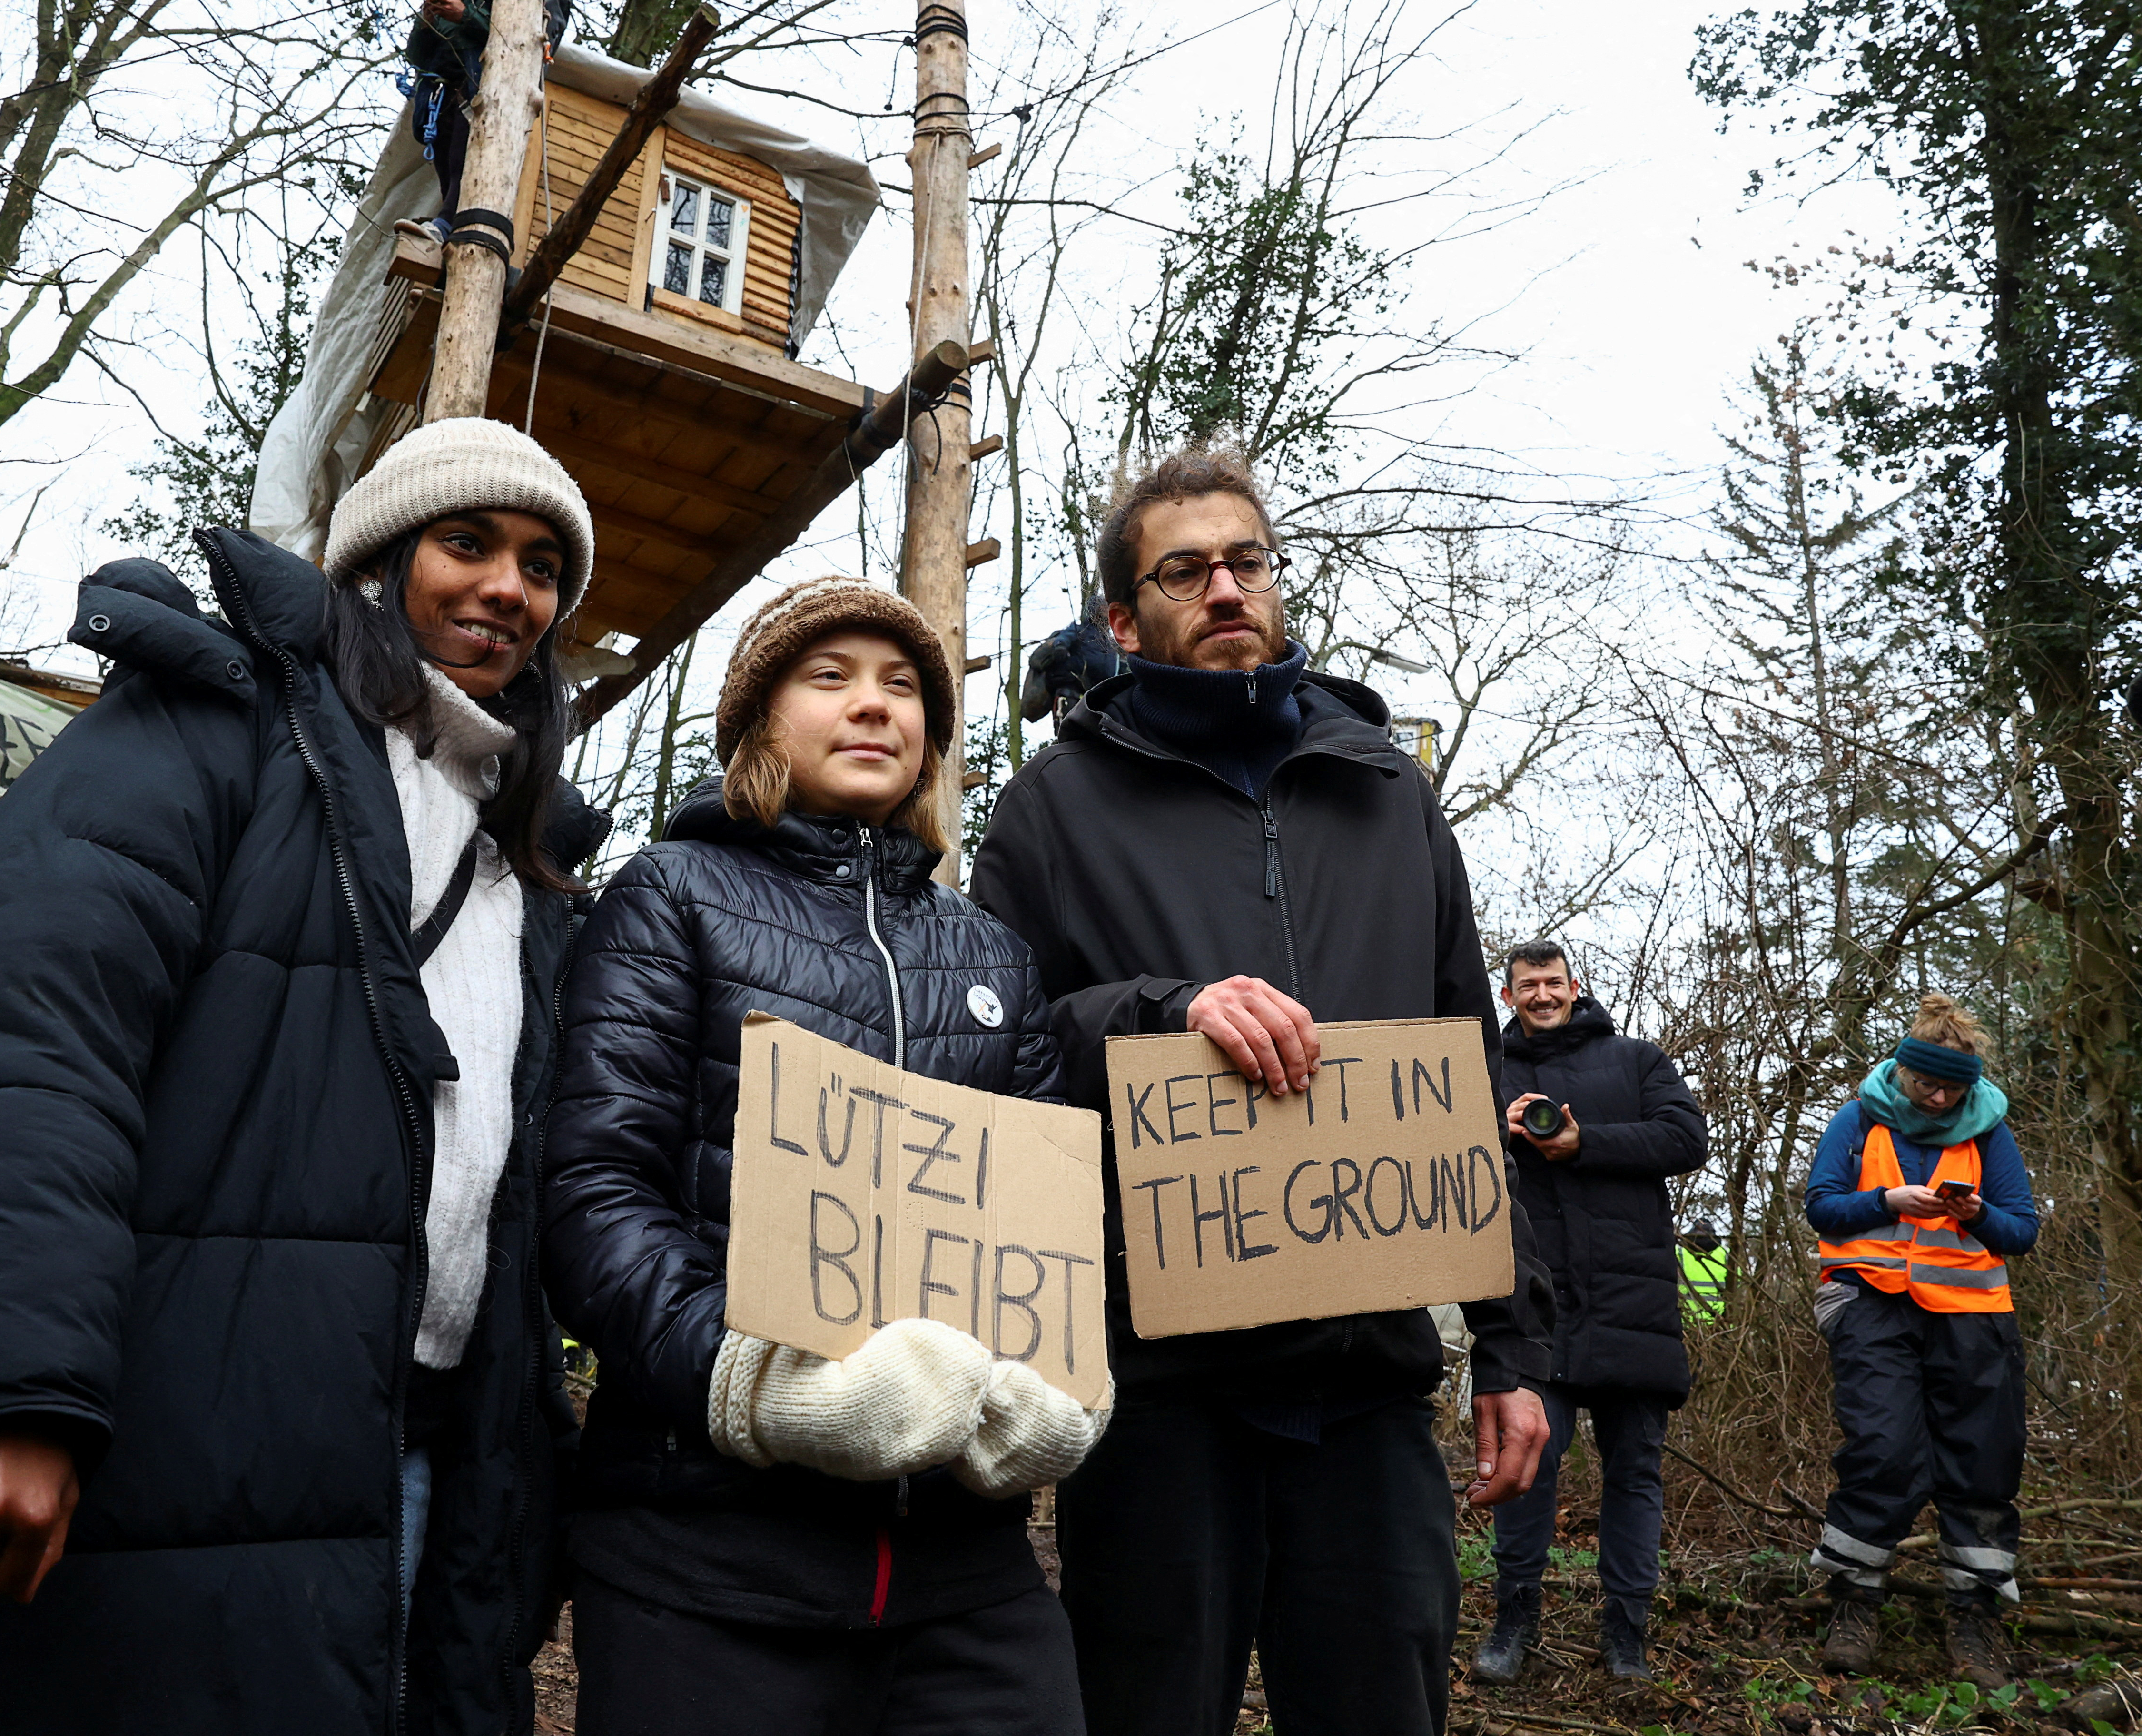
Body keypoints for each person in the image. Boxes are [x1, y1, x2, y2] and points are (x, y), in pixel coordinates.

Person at [0, 419, 610, 1735]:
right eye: (469, 541)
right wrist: (6, 1379)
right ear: (380, 560)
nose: (511, 586)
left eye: (544, 565)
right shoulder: (214, 725)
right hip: (150, 1433)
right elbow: (36, 1030)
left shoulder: (531, 870)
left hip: (408, 1470)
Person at [969, 446, 1554, 1736]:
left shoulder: (1391, 792)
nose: (1226, 588)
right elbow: (995, 1060)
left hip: (1372, 1389)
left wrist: (1510, 1350)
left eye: (1247, 562)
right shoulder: (1049, 810)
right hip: (1160, 1400)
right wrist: (1164, 1009)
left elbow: (1469, 1069)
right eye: (1186, 571)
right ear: (1126, 620)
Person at [542, 577, 1106, 1736]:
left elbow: (1059, 1233)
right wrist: (749, 1386)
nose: (874, 708)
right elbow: (595, 1188)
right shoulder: (670, 896)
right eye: (830, 677)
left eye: (904, 689)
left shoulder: (992, 953)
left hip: (964, 1582)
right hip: (702, 1562)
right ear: (758, 719)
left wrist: (1058, 1394)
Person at [1471, 941, 1708, 1687]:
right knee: (1525, 1470)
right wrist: (1492, 1135)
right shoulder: (1489, 1071)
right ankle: (1515, 1619)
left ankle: (1627, 1633)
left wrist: (1582, 1142)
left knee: (1635, 1475)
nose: (1541, 995)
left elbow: (1686, 1137)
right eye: (1526, 986)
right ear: (1507, 998)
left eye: (1553, 982)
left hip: (1633, 1307)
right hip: (1537, 1310)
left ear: (1577, 988)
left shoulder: (1638, 1060)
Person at [1805, 994, 2040, 1691]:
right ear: (1901, 1073)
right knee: (1883, 1449)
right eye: (1925, 1085)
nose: (1938, 1098)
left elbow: (2021, 1231)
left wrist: (1976, 1214)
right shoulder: (1858, 1118)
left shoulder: (1990, 1131)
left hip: (1974, 1316)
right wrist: (1887, 1201)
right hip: (1872, 1304)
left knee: (1983, 1462)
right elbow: (1822, 1206)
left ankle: (1976, 1618)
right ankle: (1853, 1600)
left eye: (1951, 1088)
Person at [406, 0, 572, 240]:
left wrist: (465, 16)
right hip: (443, 91)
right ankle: (448, 228)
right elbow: (417, 56)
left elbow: (523, 45)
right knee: (448, 161)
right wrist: (427, 22)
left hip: (488, 88)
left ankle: (446, 223)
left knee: (463, 157)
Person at [1678, 1221, 1729, 1322]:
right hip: (1720, 1323)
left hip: (1686, 1322)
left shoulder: (1679, 1253)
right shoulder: (1727, 1255)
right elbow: (1738, 1287)